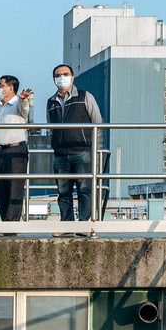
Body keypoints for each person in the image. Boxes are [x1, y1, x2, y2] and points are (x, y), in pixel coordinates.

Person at [47, 63, 103, 225]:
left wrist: (94, 149)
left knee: (84, 190)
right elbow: (51, 125)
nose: (61, 78)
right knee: (63, 192)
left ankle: (84, 224)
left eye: (65, 74)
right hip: (60, 154)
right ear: (53, 79)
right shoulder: (51, 102)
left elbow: (97, 123)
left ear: (72, 77)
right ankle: (67, 225)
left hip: (82, 151)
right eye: (58, 75)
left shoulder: (85, 96)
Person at [0, 75, 33, 224]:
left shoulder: (18, 103)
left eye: (1, 85)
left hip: (15, 149)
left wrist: (24, 98)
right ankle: (5, 222)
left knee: (15, 188)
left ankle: (11, 225)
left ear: (10, 88)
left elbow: (25, 108)